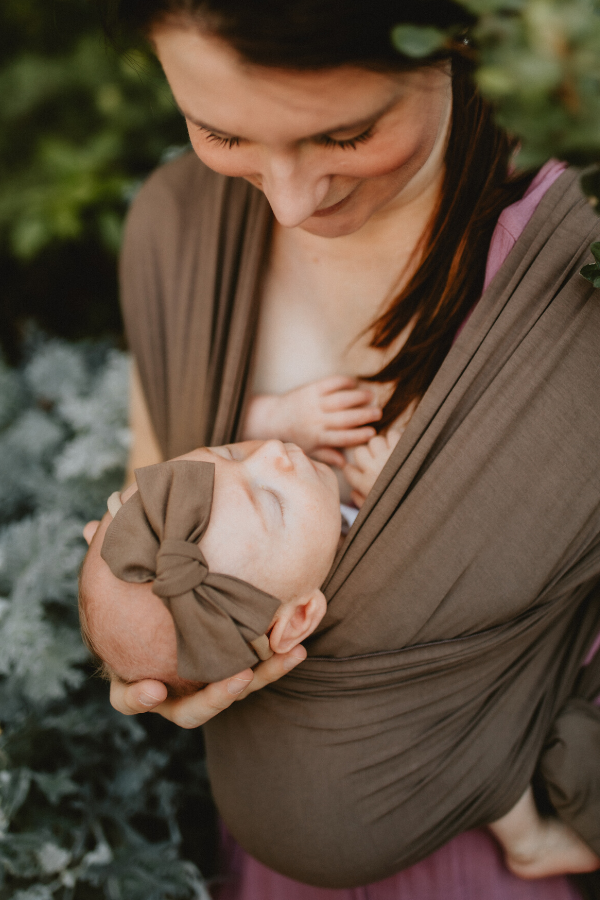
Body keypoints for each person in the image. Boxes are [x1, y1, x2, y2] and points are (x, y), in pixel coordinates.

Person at [93, 0, 600, 897]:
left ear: (457, 40)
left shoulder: (574, 265)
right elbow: (158, 506)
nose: (289, 202)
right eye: (218, 132)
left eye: (347, 135)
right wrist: (151, 651)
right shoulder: (176, 231)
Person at [81, 439, 598, 882]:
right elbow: (476, 579)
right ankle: (528, 840)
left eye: (230, 451)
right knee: (481, 747)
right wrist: (402, 502)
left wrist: (284, 409)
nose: (273, 454)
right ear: (300, 618)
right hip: (405, 760)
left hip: (289, 794)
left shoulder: (273, 552)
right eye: (274, 503)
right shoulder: (388, 606)